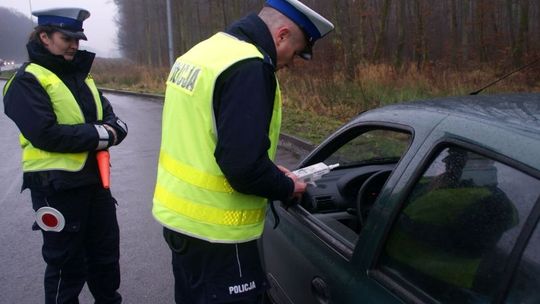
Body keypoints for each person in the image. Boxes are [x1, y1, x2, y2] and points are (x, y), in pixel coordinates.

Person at [152, 0, 334, 303]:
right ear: (282, 35)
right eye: (296, 52)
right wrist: (287, 185)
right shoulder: (248, 67)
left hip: (181, 223)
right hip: (220, 235)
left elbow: (209, 137)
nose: (290, 63)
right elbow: (243, 167)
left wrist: (270, 169)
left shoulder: (203, 53)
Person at [3, 8, 127, 304]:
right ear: (44, 37)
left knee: (105, 262)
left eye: (78, 39)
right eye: (67, 38)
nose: (75, 44)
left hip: (96, 186)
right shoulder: (26, 81)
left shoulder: (83, 78)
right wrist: (100, 135)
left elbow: (115, 122)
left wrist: (106, 131)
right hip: (56, 189)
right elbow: (46, 134)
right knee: (66, 268)